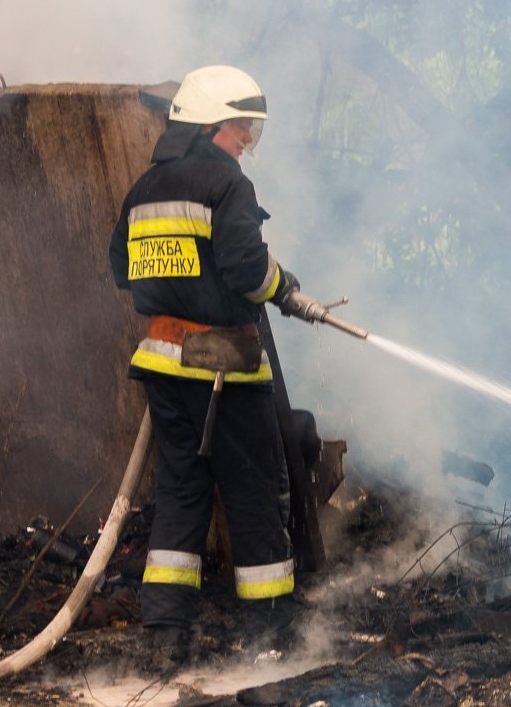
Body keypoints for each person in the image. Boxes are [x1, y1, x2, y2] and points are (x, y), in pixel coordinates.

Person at [109, 64, 320, 659]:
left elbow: (121, 269)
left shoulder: (143, 189)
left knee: (181, 491)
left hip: (161, 364)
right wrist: (285, 288)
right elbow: (248, 272)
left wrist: (179, 288)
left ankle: (165, 633)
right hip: (223, 365)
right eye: (238, 128)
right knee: (254, 494)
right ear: (205, 126)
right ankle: (269, 635)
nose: (246, 141)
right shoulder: (227, 186)